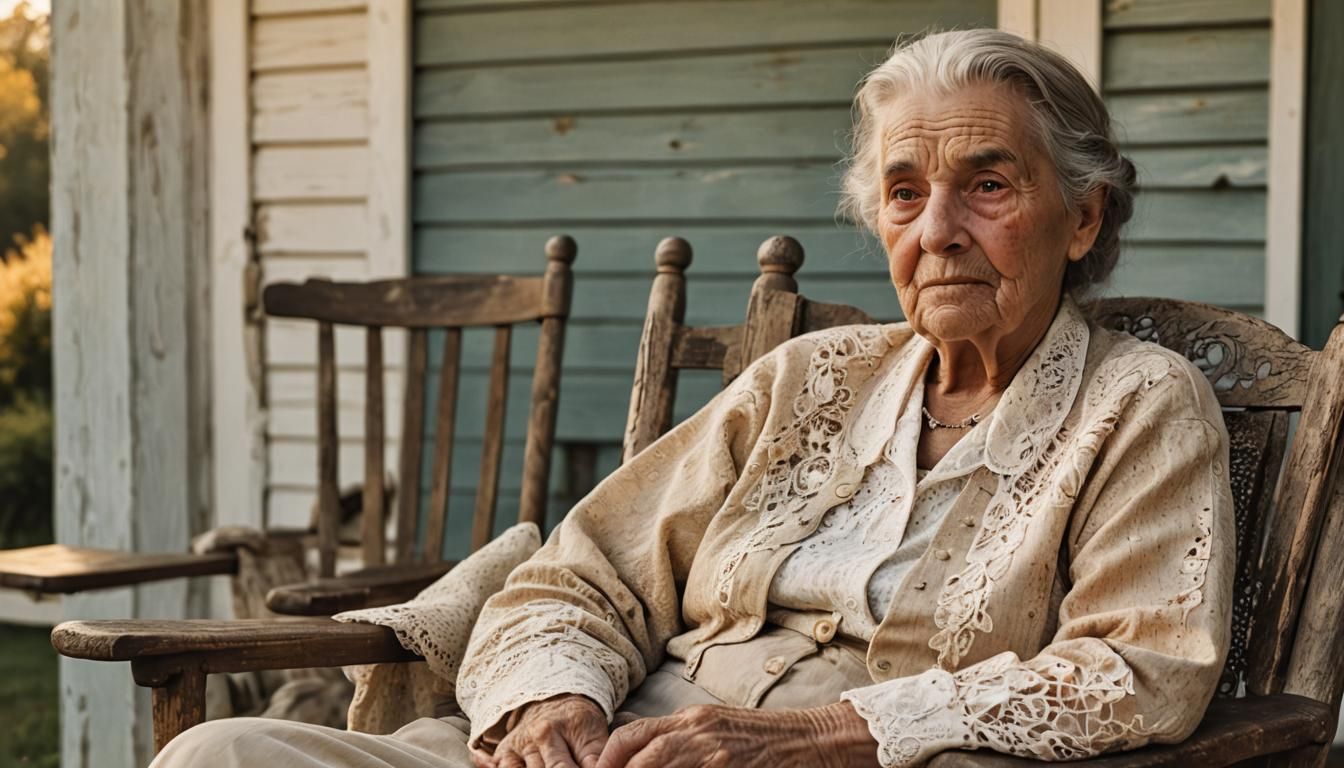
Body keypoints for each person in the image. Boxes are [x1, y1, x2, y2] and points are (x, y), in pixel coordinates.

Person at [153, 28, 1232, 768]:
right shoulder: (811, 377)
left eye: (987, 186)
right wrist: (556, 705)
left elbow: (1137, 668)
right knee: (222, 752)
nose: (937, 228)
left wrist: (821, 738)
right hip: (618, 739)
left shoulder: (1139, 405)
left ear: (1081, 219)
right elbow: (582, 577)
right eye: (905, 193)